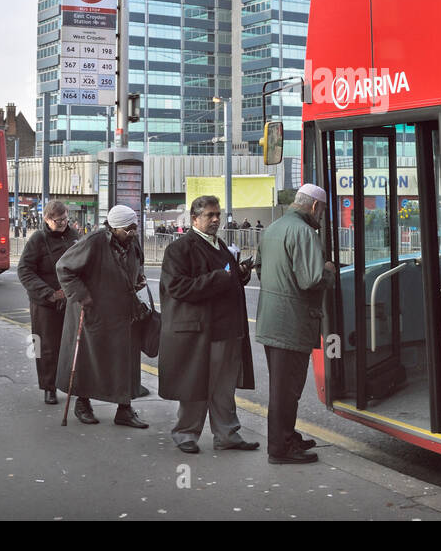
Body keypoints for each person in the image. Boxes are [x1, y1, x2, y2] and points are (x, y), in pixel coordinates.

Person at [158, 195, 257, 454]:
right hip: (202, 331)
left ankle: (227, 434)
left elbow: (227, 281)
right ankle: (186, 433)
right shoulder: (180, 249)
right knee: (196, 384)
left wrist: (239, 275)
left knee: (224, 387)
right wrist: (220, 278)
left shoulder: (221, 246)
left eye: (218, 215)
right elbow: (177, 288)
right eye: (209, 215)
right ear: (194, 219)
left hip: (228, 329)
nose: (215, 220)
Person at [255, 184, 333, 464]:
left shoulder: (272, 229)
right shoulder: (304, 232)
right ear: (314, 206)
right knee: (287, 391)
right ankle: (281, 448)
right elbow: (310, 279)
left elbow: (260, 270)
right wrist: (328, 271)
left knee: (281, 387)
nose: (322, 216)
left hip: (271, 322)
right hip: (292, 324)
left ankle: (286, 436)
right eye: (322, 210)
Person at [55, 204, 149, 428]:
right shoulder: (94, 241)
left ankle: (124, 409)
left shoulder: (131, 240)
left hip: (123, 311)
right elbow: (64, 267)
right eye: (128, 229)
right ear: (114, 228)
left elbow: (137, 263)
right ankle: (82, 403)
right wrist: (81, 295)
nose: (133, 233)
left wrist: (137, 279)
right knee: (89, 359)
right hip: (93, 310)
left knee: (124, 361)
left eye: (135, 228)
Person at [17, 200, 79, 405]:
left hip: (71, 299)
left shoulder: (73, 235)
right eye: (58, 220)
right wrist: (49, 293)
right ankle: (49, 387)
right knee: (45, 347)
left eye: (65, 219)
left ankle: (73, 385)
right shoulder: (37, 239)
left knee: (72, 345)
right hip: (45, 302)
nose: (63, 223)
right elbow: (24, 270)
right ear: (47, 219)